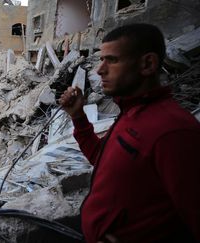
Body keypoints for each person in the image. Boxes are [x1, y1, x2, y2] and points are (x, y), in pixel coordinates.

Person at [59, 23, 200, 243]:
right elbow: (101, 158)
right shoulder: (131, 113)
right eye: (101, 59)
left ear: (147, 64)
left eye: (112, 60)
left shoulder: (173, 131)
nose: (99, 69)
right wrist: (78, 117)